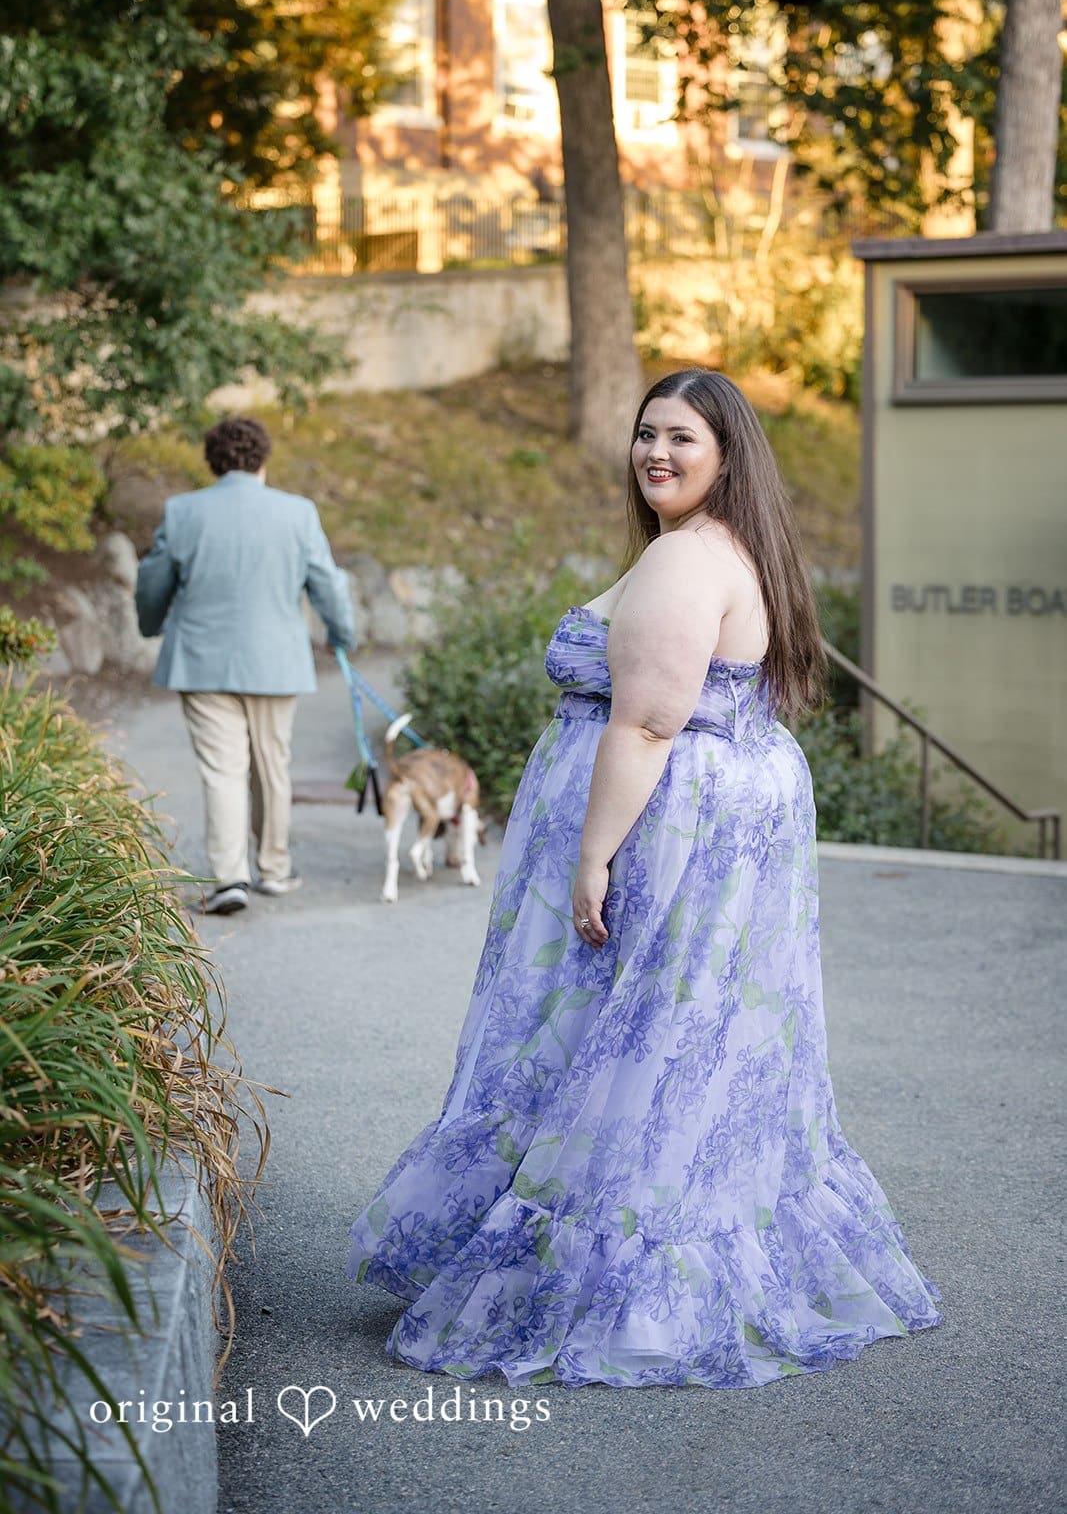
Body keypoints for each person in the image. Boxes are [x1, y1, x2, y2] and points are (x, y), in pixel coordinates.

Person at [347, 369, 940, 1388]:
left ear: (725, 457)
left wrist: (590, 857)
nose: (656, 453)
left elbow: (650, 720)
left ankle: (622, 1277)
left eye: (681, 439)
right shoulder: (718, 549)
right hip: (711, 818)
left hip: (664, 827)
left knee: (627, 1033)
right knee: (678, 1035)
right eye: (644, 434)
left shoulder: (685, 561)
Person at [135, 416, 354, 915]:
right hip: (276, 662)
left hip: (200, 660)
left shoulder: (184, 511)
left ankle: (229, 878)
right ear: (264, 459)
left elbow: (152, 581)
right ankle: (274, 869)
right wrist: (342, 635)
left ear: (212, 461)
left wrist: (150, 625)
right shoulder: (297, 513)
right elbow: (328, 583)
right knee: (273, 765)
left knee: (223, 770)